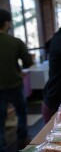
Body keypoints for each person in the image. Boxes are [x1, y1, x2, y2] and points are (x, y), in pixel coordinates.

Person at [0, 8, 33, 151]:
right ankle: (22, 140)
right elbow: (27, 62)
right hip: (14, 84)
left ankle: (1, 145)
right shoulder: (15, 42)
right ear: (7, 23)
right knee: (21, 112)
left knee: (0, 119)